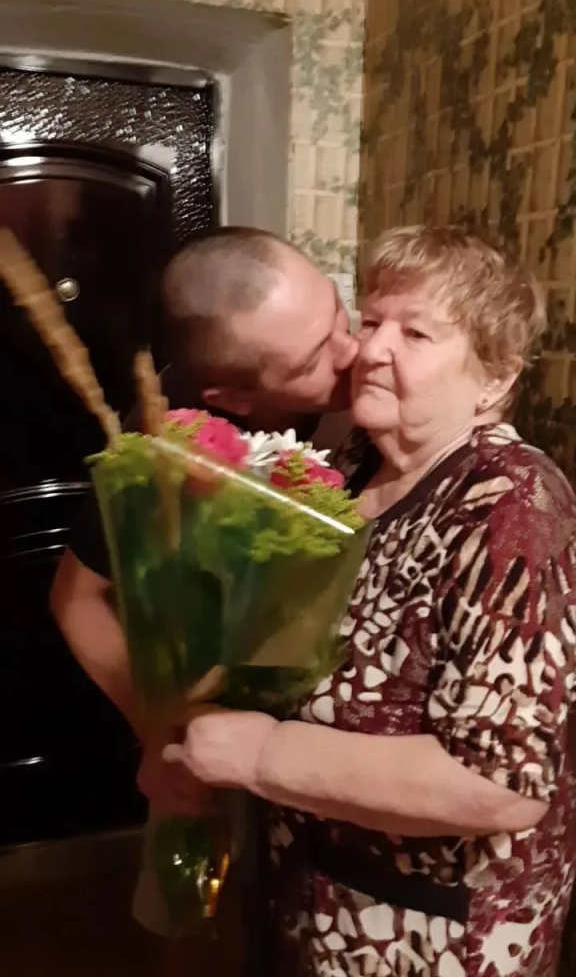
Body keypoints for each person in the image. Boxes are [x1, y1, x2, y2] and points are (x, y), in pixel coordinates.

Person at [165, 225, 576, 976]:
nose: (372, 348)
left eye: (416, 333)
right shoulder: (352, 463)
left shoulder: (512, 505)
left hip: (429, 933)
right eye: (374, 318)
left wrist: (263, 754)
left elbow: (501, 784)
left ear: (494, 377)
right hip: (316, 894)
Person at [50, 226, 357, 972]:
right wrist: (162, 731)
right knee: (188, 910)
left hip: (329, 750)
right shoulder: (167, 440)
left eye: (339, 315)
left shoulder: (369, 384)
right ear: (232, 397)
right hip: (208, 713)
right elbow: (75, 598)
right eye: (314, 359)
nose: (353, 352)